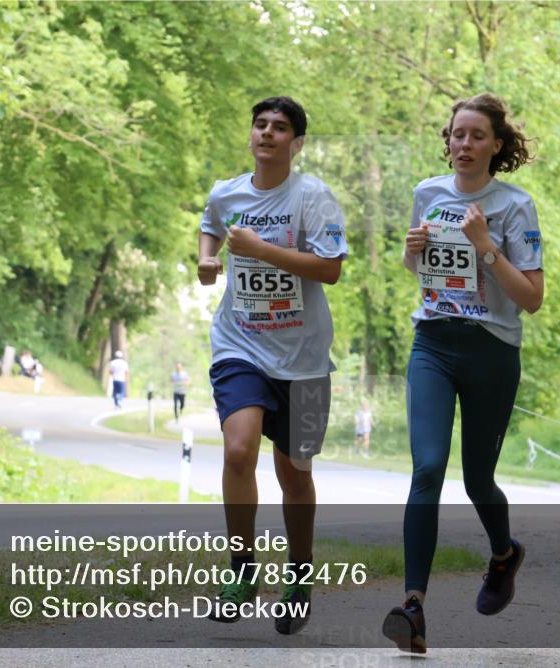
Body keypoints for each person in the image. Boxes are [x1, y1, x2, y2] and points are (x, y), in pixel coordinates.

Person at [381, 93, 543, 654]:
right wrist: (412, 250)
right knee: (426, 468)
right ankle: (413, 607)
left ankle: (504, 554)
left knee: (477, 479)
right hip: (433, 342)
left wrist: (486, 248)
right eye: (457, 134)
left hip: (491, 350)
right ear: (446, 141)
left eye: (477, 136)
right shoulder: (427, 193)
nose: (464, 144)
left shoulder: (515, 205)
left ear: (496, 145)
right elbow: (418, 270)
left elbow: (532, 298)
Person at [197, 96, 348, 635]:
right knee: (239, 450)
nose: (267, 133)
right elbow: (210, 223)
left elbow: (329, 269)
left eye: (279, 128)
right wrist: (208, 257)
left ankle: (299, 577)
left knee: (294, 472)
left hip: (304, 357)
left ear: (296, 143)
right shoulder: (226, 192)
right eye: (260, 125)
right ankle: (241, 573)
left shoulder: (313, 197)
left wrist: (260, 250)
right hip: (240, 343)